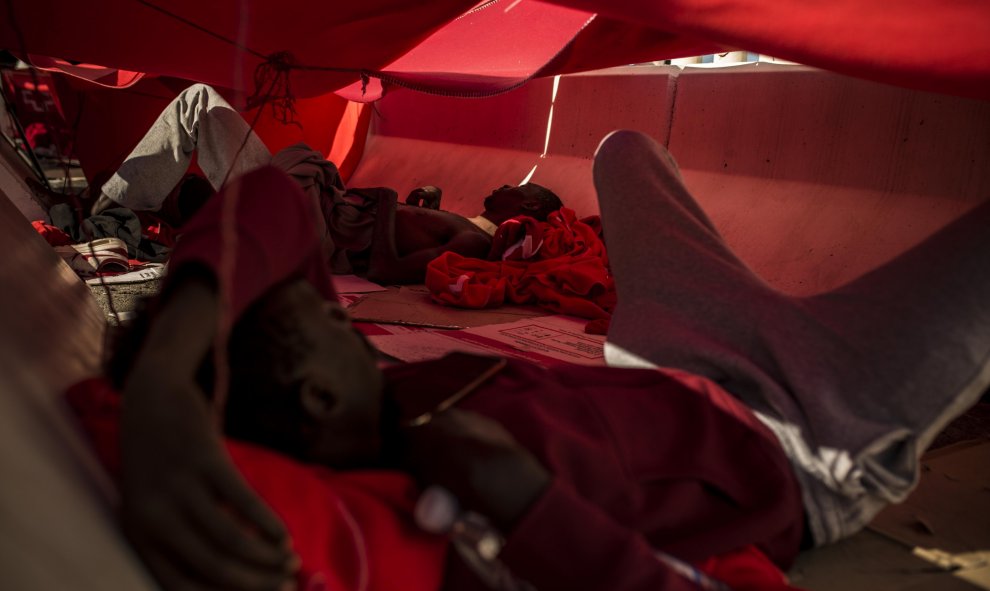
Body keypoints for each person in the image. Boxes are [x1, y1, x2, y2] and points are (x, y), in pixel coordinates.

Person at [106, 130, 990, 590]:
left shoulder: (381, 391)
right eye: (333, 327)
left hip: (668, 350)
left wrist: (168, 368)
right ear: (312, 394)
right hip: (802, 427)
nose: (353, 324)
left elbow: (269, 196)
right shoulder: (463, 518)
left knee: (622, 152)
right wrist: (527, 503)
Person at [86, 83, 563, 284]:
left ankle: (109, 212)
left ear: (529, 208)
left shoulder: (473, 242)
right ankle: (136, 212)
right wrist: (407, 207)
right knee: (192, 188)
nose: (504, 183)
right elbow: (393, 231)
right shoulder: (459, 220)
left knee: (197, 102)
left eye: (516, 187)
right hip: (313, 210)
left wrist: (388, 203)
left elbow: (387, 269)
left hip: (306, 226)